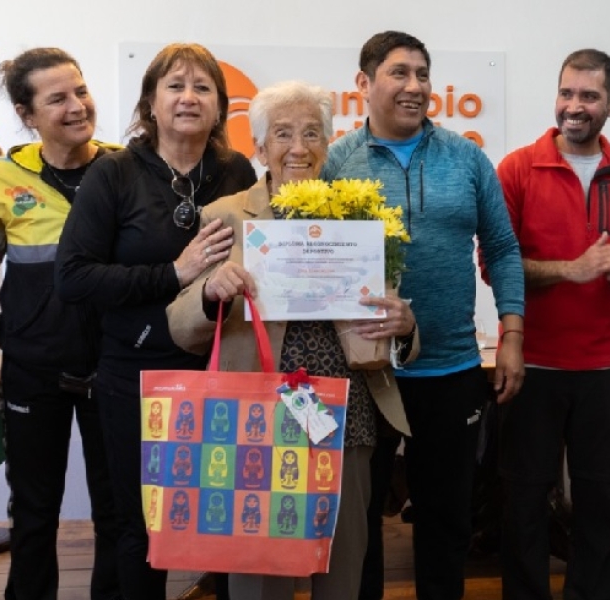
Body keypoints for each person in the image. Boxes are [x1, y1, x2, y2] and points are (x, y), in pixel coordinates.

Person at [166, 79, 420, 600]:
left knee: (342, 567)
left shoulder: (361, 216)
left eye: (312, 134)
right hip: (256, 420)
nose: (298, 148)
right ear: (259, 147)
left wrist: (405, 327)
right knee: (259, 577)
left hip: (344, 419)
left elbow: (395, 326)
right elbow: (179, 324)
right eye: (282, 134)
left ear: (329, 146)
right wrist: (211, 293)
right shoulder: (227, 217)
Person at [321, 30, 526, 600]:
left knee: (446, 518)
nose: (415, 87)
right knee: (358, 523)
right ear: (363, 84)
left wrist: (512, 334)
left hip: (451, 368)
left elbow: (504, 249)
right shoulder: (336, 161)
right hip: (365, 374)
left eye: (423, 74)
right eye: (399, 73)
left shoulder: (466, 157)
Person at [55, 42, 257, 599]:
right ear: (149, 102)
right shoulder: (113, 174)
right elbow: (72, 278)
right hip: (136, 377)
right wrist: (175, 272)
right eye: (174, 86)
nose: (188, 98)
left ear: (220, 107)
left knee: (225, 522)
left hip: (223, 368)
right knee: (140, 526)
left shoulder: (237, 172)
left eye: (202, 88)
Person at [492, 48, 610, 600]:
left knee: (602, 500)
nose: (574, 106)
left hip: (604, 364)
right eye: (567, 93)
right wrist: (574, 268)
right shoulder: (516, 168)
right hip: (531, 363)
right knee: (524, 501)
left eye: (588, 96)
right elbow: (497, 265)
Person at [0, 47, 120, 600]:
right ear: (26, 112)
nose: (76, 106)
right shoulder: (0, 176)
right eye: (57, 98)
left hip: (113, 364)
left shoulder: (124, 165)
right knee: (34, 507)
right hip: (33, 366)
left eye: (80, 91)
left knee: (115, 504)